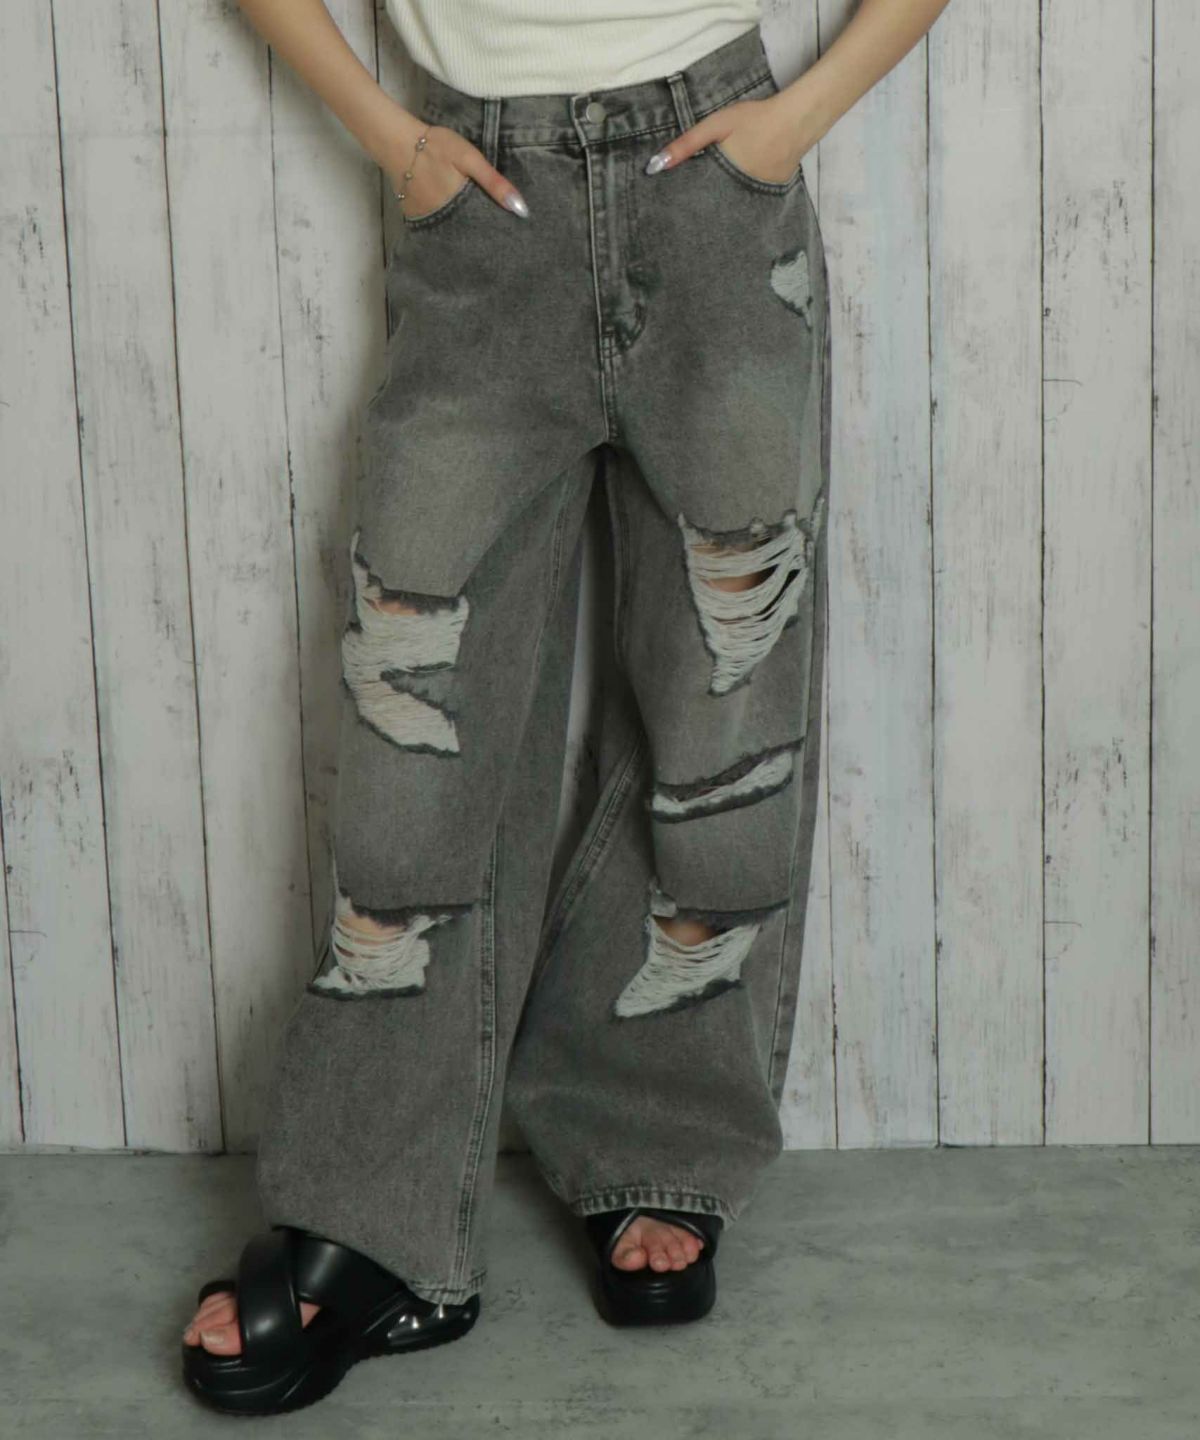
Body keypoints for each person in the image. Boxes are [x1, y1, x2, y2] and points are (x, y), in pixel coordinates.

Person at [180, 0, 952, 1416]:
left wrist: (792, 123)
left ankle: (655, 1135)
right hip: (480, 204)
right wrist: (394, 140)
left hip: (718, 197)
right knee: (416, 734)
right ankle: (373, 1216)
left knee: (723, 715)